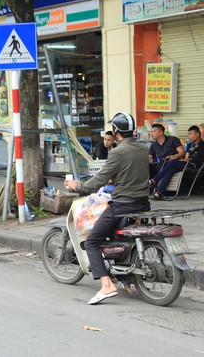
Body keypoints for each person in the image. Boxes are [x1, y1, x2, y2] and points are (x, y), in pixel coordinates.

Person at [65, 112, 150, 305]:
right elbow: (136, 172)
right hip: (143, 203)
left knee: (92, 242)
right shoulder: (143, 149)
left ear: (116, 131)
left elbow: (97, 181)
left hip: (123, 205)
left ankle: (106, 285)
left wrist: (77, 186)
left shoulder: (117, 152)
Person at [150, 125, 204, 200]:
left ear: (198, 134)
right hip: (186, 164)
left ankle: (155, 180)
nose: (189, 136)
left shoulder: (202, 144)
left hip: (195, 165)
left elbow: (202, 132)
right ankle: (159, 192)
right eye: (188, 134)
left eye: (191, 134)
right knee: (171, 170)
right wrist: (183, 160)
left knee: (173, 161)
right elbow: (186, 158)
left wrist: (200, 126)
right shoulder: (189, 145)